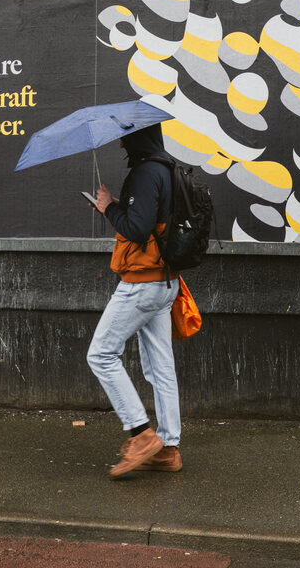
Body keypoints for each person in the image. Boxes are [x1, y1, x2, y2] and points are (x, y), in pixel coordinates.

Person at [87, 123, 183, 478]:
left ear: (139, 137)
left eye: (126, 136)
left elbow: (138, 230)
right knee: (161, 367)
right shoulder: (167, 169)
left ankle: (141, 435)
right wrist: (116, 205)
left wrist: (108, 209)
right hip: (166, 281)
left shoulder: (145, 173)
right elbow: (151, 221)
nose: (122, 143)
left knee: (101, 354)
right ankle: (168, 448)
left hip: (141, 283)